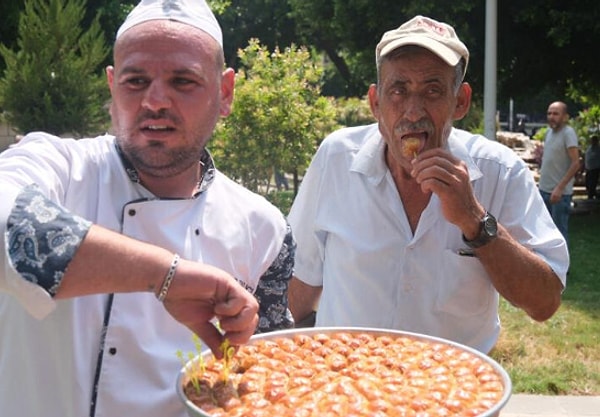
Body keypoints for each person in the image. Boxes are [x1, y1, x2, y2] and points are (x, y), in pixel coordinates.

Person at [0, 0, 294, 416]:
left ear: (224, 93)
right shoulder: (55, 167)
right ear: (111, 86)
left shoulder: (263, 228)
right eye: (135, 81)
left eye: (183, 81)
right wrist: (165, 276)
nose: (155, 101)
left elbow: (269, 380)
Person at [287, 15, 567, 354]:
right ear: (375, 103)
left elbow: (545, 302)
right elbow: (300, 279)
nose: (413, 111)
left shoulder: (499, 171)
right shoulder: (337, 158)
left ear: (460, 101)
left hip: (452, 395)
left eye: (433, 90)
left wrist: (474, 221)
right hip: (348, 386)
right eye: (398, 90)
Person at [538, 101, 581, 241]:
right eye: (549, 113)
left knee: (559, 233)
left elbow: (576, 163)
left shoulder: (568, 133)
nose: (551, 116)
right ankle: (545, 263)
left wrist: (559, 188)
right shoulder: (549, 133)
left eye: (556, 114)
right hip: (544, 190)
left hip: (559, 194)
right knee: (543, 231)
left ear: (565, 117)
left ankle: (562, 263)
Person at [584, 135, 600, 199]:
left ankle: (590, 197)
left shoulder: (598, 149)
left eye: (594, 140)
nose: (592, 141)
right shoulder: (589, 148)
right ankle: (596, 195)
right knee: (587, 183)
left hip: (595, 169)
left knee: (592, 184)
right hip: (588, 168)